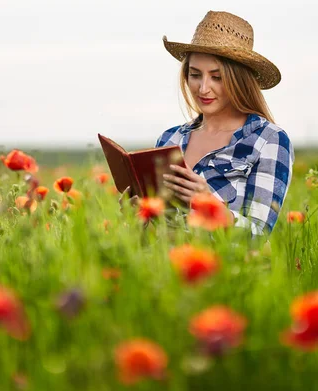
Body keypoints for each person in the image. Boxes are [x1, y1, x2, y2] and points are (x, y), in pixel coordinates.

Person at [124, 10, 294, 235]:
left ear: (239, 81)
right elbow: (155, 236)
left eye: (217, 77)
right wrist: (139, 218)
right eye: (195, 75)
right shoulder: (169, 139)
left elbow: (257, 235)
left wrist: (209, 205)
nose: (203, 89)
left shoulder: (269, 140)